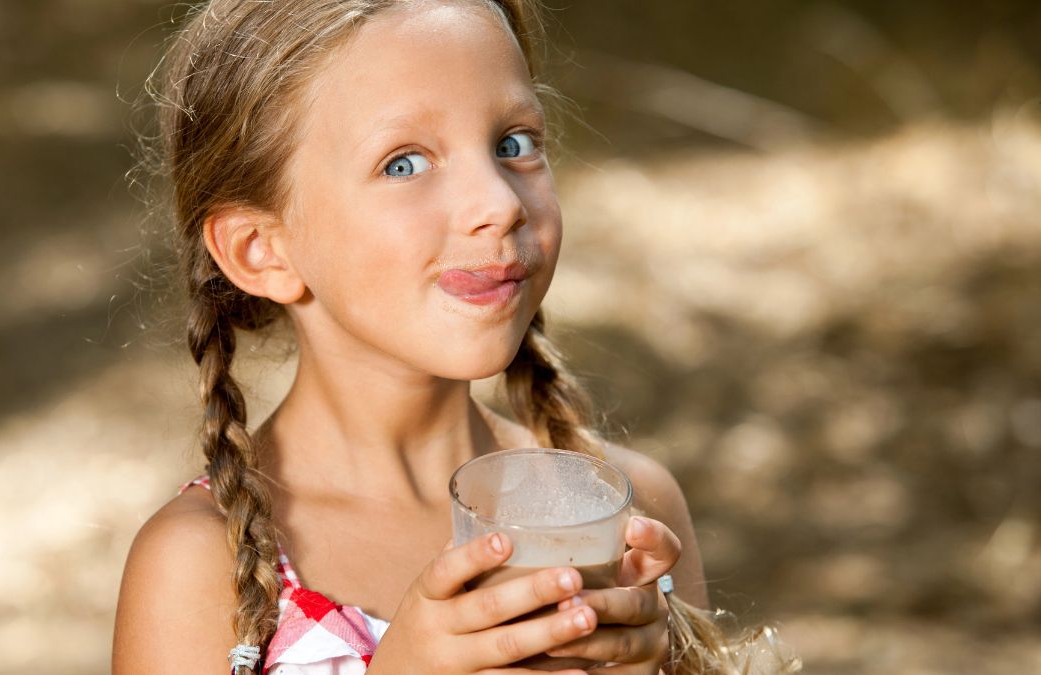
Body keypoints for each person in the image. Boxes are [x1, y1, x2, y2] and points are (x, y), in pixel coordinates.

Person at [112, 1, 795, 673]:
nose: (499, 203)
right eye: (404, 163)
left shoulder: (627, 511)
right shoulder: (199, 566)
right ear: (263, 249)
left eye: (514, 144)